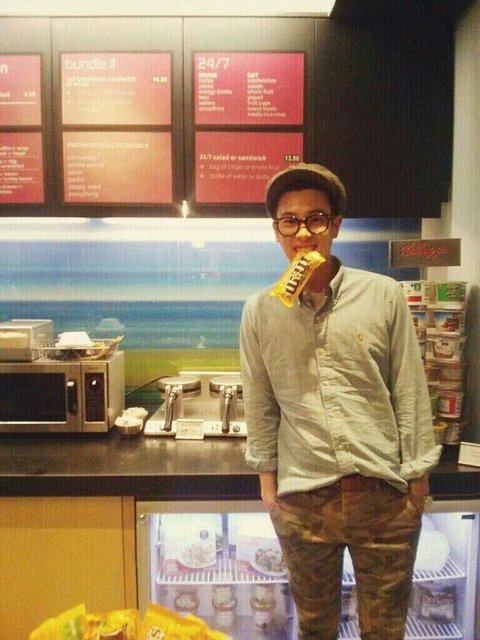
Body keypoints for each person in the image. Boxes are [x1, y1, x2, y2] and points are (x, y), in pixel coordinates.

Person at [239, 163, 442, 640]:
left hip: (383, 496)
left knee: (385, 630)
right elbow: (260, 403)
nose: (303, 233)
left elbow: (409, 388)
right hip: (302, 498)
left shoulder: (384, 295)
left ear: (335, 225)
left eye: (316, 218)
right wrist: (269, 489)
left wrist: (417, 484)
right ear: (276, 231)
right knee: (314, 628)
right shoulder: (260, 311)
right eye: (289, 221)